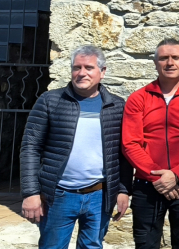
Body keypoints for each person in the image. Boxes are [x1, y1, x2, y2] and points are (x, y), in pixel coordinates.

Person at [20, 46, 130, 249]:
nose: (81, 73)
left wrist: (123, 190)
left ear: (102, 72)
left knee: (92, 246)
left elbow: (123, 153)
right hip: (58, 196)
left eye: (89, 67)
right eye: (76, 67)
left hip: (99, 196)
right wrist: (31, 193)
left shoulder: (117, 106)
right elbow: (30, 148)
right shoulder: (50, 101)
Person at [122, 39, 179, 249]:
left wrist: (176, 175)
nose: (170, 62)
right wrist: (158, 177)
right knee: (145, 245)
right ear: (155, 63)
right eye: (164, 58)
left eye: (176, 57)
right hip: (147, 184)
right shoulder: (138, 98)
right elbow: (130, 144)